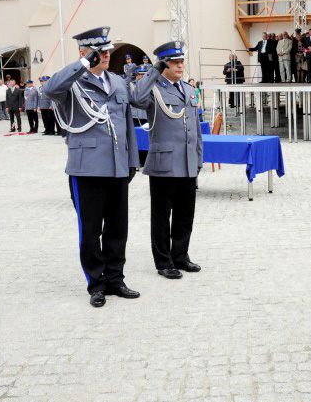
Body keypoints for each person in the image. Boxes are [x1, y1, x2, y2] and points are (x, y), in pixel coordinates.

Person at [44, 26, 140, 308]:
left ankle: (115, 279)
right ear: (85, 53)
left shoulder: (119, 82)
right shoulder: (72, 83)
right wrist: (84, 64)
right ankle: (96, 284)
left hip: (116, 167)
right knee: (90, 230)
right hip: (86, 168)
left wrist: (132, 160)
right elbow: (49, 89)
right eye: (101, 51)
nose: (107, 55)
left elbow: (128, 127)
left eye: (109, 50)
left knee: (117, 228)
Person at [130, 41, 203, 280]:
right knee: (161, 216)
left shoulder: (189, 90)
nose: (181, 65)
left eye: (182, 61)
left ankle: (181, 255)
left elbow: (195, 129)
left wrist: (198, 158)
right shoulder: (153, 89)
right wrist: (153, 71)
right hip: (164, 164)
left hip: (187, 162)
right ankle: (163, 261)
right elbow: (136, 99)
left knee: (185, 213)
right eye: (174, 62)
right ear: (164, 64)